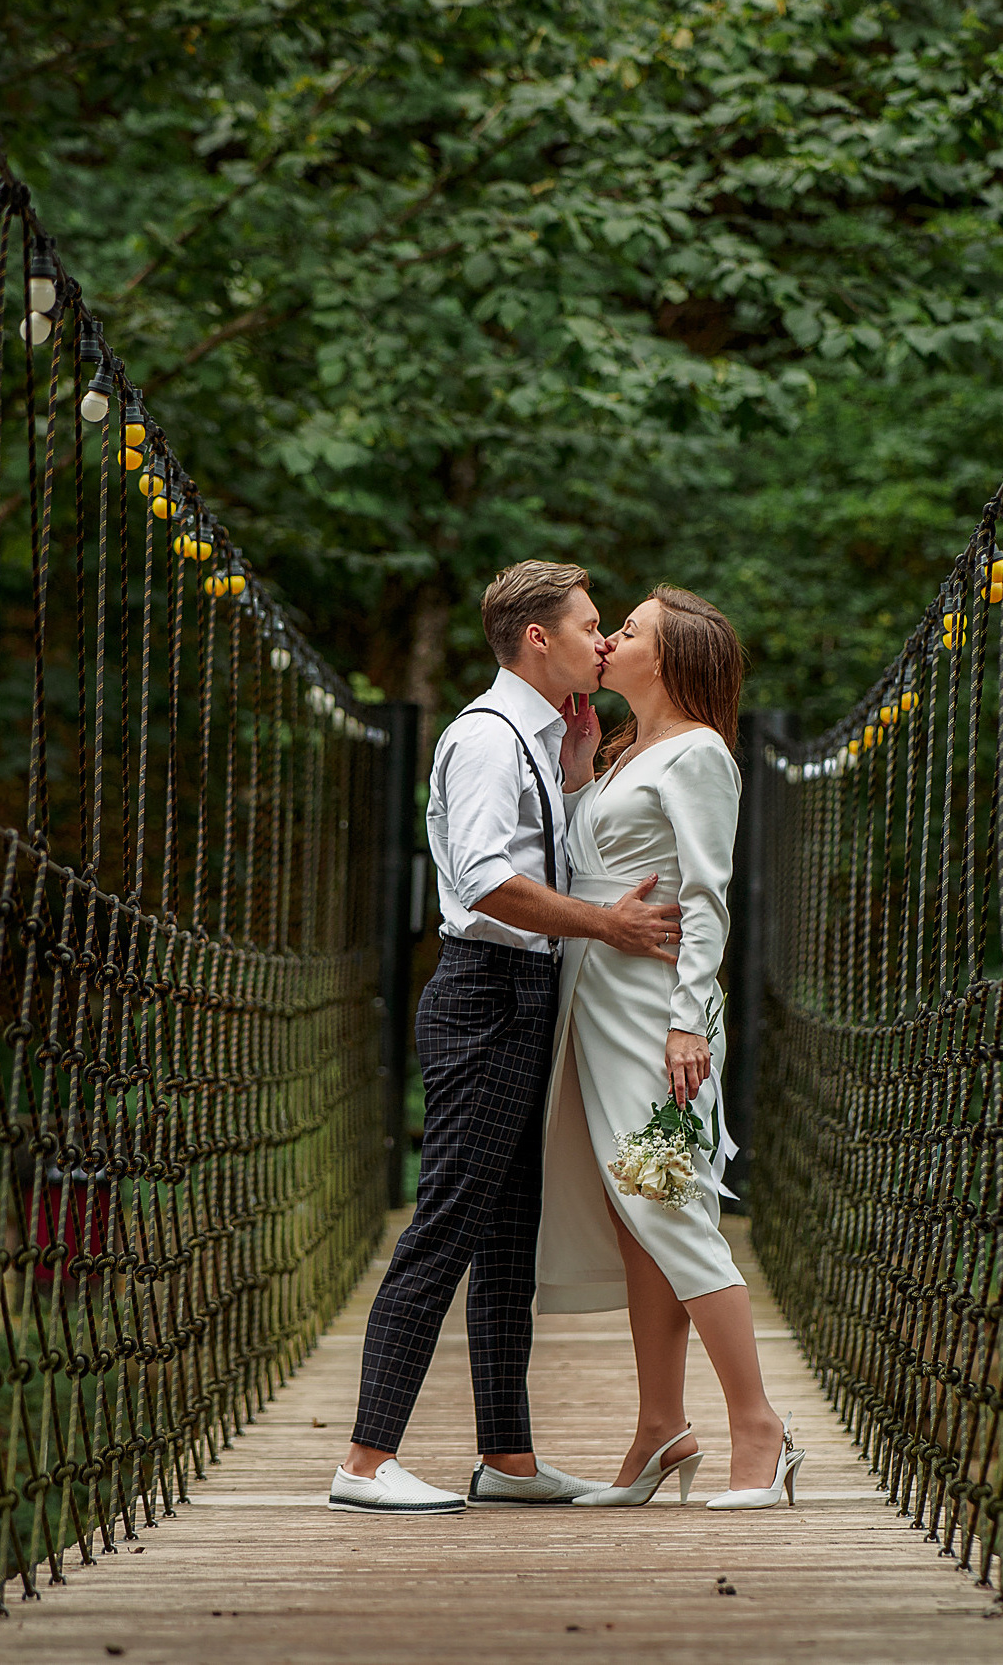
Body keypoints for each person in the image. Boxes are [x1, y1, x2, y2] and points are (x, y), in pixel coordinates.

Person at [331, 561, 685, 1514]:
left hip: (524, 994)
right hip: (487, 995)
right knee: (445, 1225)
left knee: (506, 1238)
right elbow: (486, 882)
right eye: (588, 626)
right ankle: (364, 1461)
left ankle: (507, 1460)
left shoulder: (540, 738)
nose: (602, 641)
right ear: (540, 639)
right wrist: (607, 923)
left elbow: (527, 856)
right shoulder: (486, 740)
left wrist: (573, 779)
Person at [537, 586, 804, 1510]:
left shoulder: (699, 757)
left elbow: (708, 893)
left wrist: (690, 1018)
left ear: (673, 657)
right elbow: (592, 868)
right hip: (596, 1001)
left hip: (656, 1013)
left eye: (629, 630)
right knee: (633, 1213)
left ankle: (760, 1428)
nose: (608, 638)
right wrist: (577, 772)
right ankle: (660, 1427)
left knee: (672, 1207)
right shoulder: (623, 752)